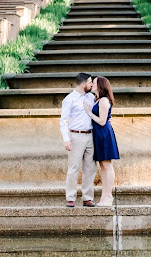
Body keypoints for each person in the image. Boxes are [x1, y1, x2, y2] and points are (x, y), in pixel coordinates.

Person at [60, 72, 98, 207]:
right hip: (76, 136)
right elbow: (63, 120)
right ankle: (70, 198)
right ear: (83, 84)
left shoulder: (91, 97)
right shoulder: (69, 99)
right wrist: (66, 139)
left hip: (91, 136)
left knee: (90, 168)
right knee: (74, 167)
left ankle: (87, 197)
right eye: (90, 82)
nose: (92, 84)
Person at [83, 76, 119, 207]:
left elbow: (102, 121)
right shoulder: (98, 99)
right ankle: (104, 197)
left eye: (94, 82)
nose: (91, 84)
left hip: (104, 134)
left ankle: (108, 196)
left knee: (107, 166)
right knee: (103, 166)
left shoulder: (103, 100)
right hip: (99, 134)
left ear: (100, 85)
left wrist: (89, 112)